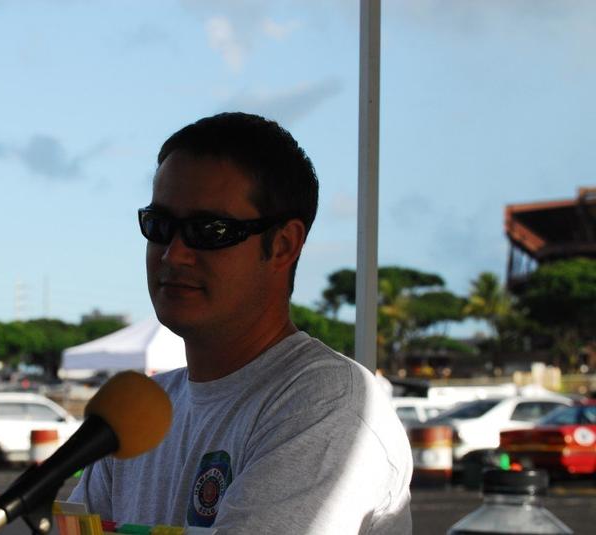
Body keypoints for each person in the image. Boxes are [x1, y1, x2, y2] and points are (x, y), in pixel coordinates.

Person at [69, 112, 412, 533]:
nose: (174, 254)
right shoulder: (137, 416)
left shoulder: (325, 402)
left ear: (283, 245)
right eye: (159, 226)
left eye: (210, 231)